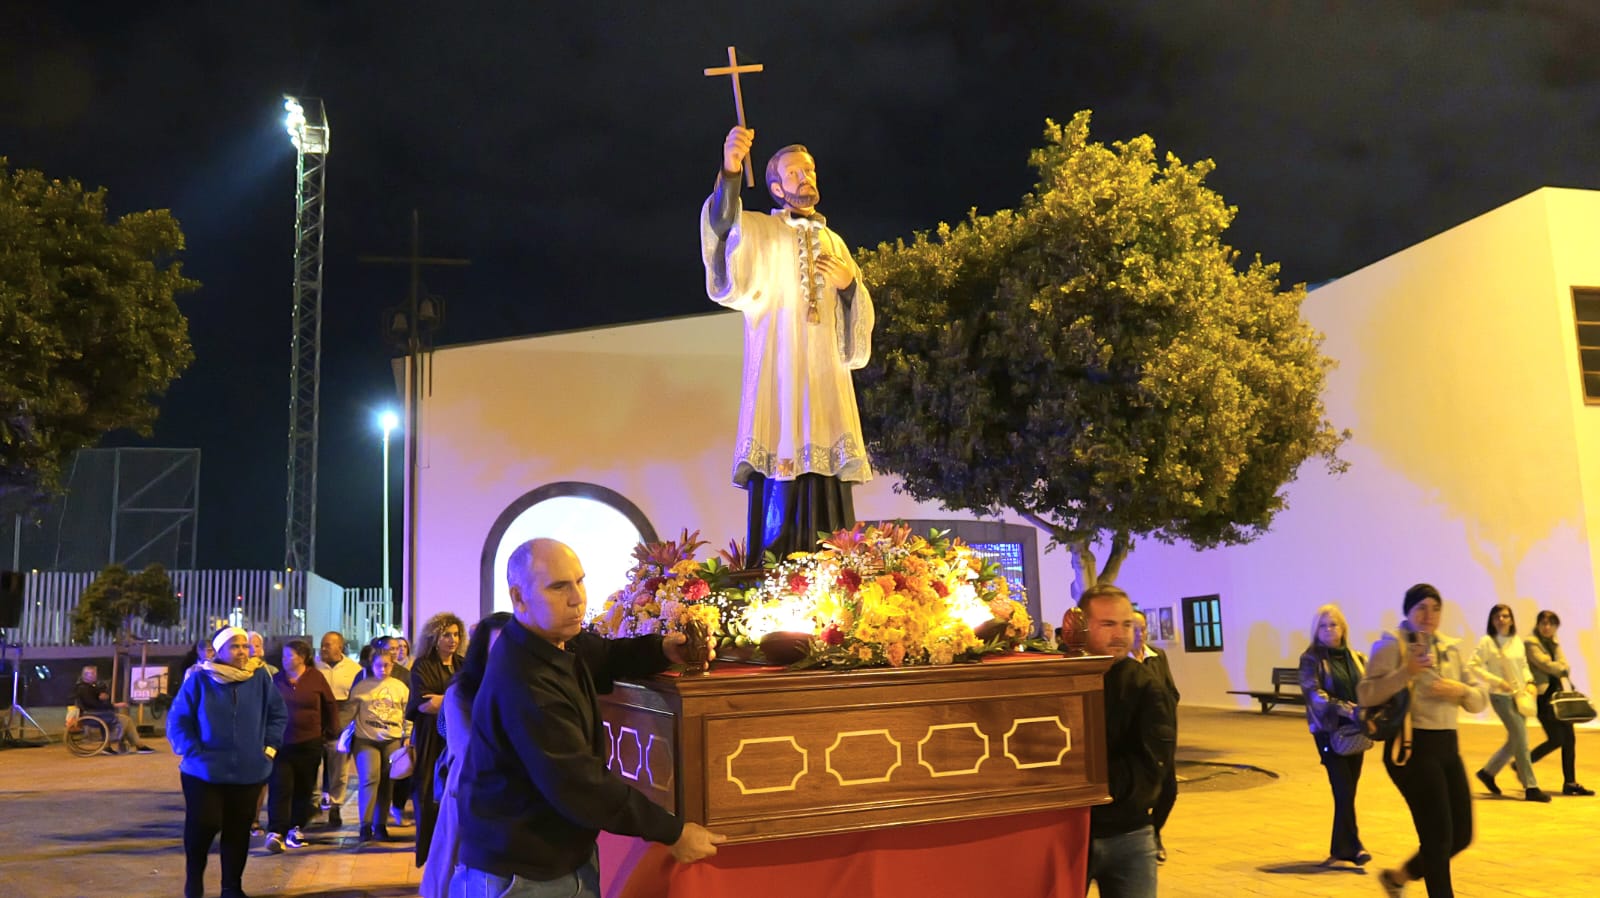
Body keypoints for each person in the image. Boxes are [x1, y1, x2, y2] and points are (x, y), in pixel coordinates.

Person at [452, 538, 726, 897]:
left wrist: (662, 650)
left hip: (554, 859)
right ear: (519, 598)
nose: (577, 598)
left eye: (579, 581)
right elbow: (579, 783)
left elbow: (607, 656)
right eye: (558, 587)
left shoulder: (554, 640)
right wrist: (673, 832)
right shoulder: (526, 680)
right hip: (521, 873)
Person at [700, 125, 875, 561]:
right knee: (781, 444)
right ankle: (778, 556)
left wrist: (849, 286)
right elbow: (722, 225)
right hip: (780, 368)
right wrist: (731, 169)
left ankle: (833, 557)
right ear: (776, 187)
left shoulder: (835, 242)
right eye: (794, 173)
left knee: (826, 458)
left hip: (825, 374)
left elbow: (858, 317)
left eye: (809, 170)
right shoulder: (760, 230)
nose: (805, 178)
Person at [1359, 584, 1487, 898]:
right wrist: (1407, 672)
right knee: (1438, 837)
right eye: (1421, 608)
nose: (1429, 615)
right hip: (1410, 749)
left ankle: (1397, 878)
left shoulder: (1450, 649)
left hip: (1447, 748)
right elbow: (1365, 694)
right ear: (1408, 611)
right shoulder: (1391, 645)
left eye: (1436, 608)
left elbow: (1479, 699)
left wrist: (1459, 690)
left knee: (1461, 836)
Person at [168, 626, 287, 898]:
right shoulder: (200, 678)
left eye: (245, 646)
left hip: (248, 771)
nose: (242, 652)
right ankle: (194, 881)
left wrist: (269, 748)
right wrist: (192, 749)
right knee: (204, 825)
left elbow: (278, 713)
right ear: (219, 651)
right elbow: (178, 719)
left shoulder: (259, 677)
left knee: (238, 830)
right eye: (235, 647)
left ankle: (231, 888)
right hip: (203, 771)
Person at [1078, 585, 1175, 898]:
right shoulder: (1063, 679)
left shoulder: (1146, 687)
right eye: (1108, 624)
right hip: (1071, 834)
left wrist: (1094, 793)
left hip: (1129, 833)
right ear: (1082, 626)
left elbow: (1155, 764)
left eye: (1126, 624)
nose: (1120, 634)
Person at [419, 611, 513, 898]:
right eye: (498, 646)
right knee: (462, 871)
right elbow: (467, 748)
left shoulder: (523, 685)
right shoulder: (462, 691)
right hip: (471, 788)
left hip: (511, 797)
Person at [1296, 604, 1372, 866]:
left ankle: (1340, 847)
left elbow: (1369, 687)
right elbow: (1313, 694)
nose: (1329, 630)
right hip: (1328, 731)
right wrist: (1344, 708)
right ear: (1316, 630)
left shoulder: (1357, 657)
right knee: (1343, 789)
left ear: (1343, 629)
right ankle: (1355, 846)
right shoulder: (1311, 659)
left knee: (1349, 791)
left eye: (1333, 624)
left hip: (1355, 731)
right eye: (1323, 626)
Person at [265, 639, 339, 853]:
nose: (285, 659)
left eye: (290, 655)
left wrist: (331, 732)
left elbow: (330, 705)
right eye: (283, 655)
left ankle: (295, 828)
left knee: (304, 788)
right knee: (280, 786)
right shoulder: (276, 680)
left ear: (302, 657)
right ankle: (276, 830)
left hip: (309, 743)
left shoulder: (316, 678)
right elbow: (266, 709)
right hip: (281, 744)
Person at [1470, 605, 1549, 801]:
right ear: (1491, 620)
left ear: (1512, 620)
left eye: (1505, 616)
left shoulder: (1516, 641)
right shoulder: (1487, 642)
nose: (1501, 619)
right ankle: (1531, 786)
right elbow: (1473, 666)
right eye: (1497, 616)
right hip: (1500, 697)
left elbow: (1523, 665)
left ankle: (1488, 772)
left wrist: (1530, 681)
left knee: (1515, 740)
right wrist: (1497, 681)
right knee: (1521, 739)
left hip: (1520, 696)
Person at [407, 612, 465, 867]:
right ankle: (431, 857)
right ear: (434, 638)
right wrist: (456, 699)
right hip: (431, 739)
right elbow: (425, 705)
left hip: (458, 737)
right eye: (446, 635)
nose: (453, 640)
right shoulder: (422, 665)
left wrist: (444, 699)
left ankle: (455, 856)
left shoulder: (463, 664)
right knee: (429, 795)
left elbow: (472, 697)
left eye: (456, 634)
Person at [348, 645, 411, 842]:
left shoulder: (400, 688)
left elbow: (407, 714)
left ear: (392, 665)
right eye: (378, 665)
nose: (383, 669)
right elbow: (350, 712)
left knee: (387, 782)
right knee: (369, 778)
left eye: (386, 665)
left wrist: (408, 735)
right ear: (372, 665)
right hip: (366, 738)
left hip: (392, 738)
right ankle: (365, 825)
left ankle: (380, 824)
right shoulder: (361, 687)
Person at [1526, 609, 1593, 796]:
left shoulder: (1554, 642)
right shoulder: (1531, 643)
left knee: (1569, 739)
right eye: (1544, 623)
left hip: (1559, 696)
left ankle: (1570, 782)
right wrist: (1560, 667)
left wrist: (1560, 667)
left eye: (1551, 624)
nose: (1547, 627)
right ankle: (1524, 763)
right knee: (1557, 739)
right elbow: (1546, 665)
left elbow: (1564, 665)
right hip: (1543, 697)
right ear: (1538, 624)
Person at [1131, 609, 1179, 863]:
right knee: (1140, 791)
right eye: (1134, 629)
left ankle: (1154, 831)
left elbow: (1172, 692)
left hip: (1161, 736)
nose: (1140, 634)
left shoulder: (1157, 656)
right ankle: (1143, 840)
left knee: (1168, 790)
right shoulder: (1122, 662)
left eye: (1143, 629)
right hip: (1135, 738)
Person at [315, 631, 361, 827]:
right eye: (322, 644)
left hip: (341, 724)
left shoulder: (354, 669)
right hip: (317, 723)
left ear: (340, 647)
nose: (323, 648)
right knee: (315, 767)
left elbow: (356, 700)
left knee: (339, 769)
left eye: (328, 645)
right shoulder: (313, 666)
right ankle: (314, 803)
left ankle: (335, 804)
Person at [71, 664, 156, 754]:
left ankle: (136, 745)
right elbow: (93, 704)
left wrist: (103, 698)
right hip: (93, 715)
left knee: (125, 719)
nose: (94, 675)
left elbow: (96, 701)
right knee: (125, 720)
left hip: (95, 713)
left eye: (95, 673)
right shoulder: (83, 688)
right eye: (92, 674)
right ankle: (135, 745)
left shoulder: (88, 687)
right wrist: (114, 705)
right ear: (85, 675)